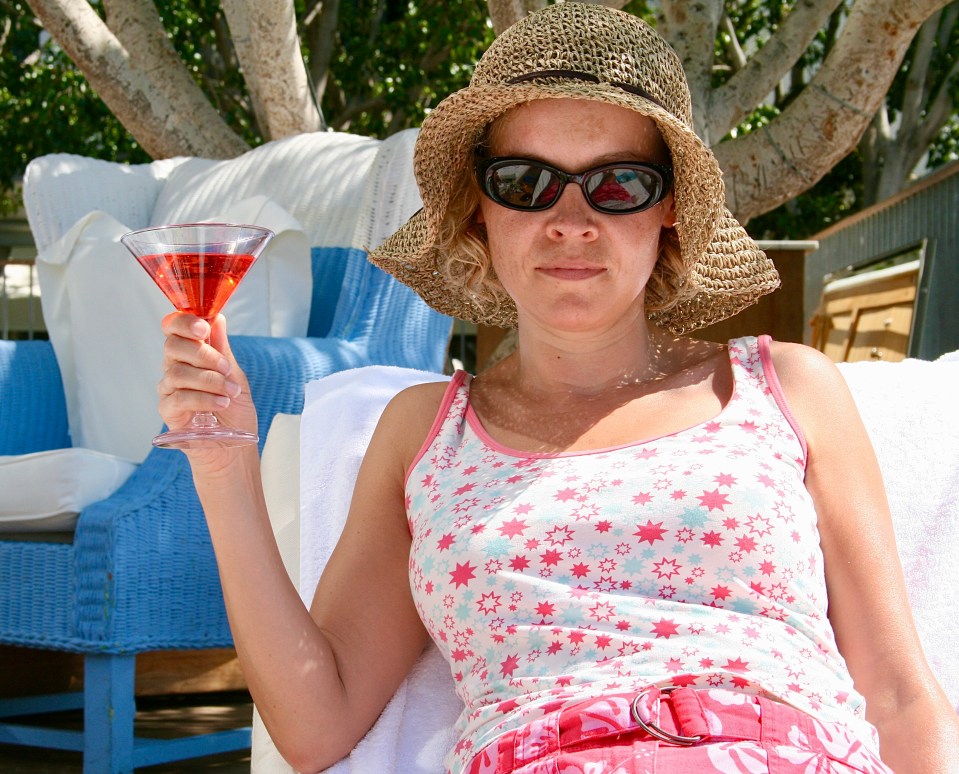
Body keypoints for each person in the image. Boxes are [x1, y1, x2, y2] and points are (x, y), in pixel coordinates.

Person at [158, 4, 959, 772]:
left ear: (669, 206)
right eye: (525, 181)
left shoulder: (783, 387)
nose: (571, 220)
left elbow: (898, 694)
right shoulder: (425, 433)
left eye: (618, 186)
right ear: (479, 207)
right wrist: (223, 465)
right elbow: (315, 725)